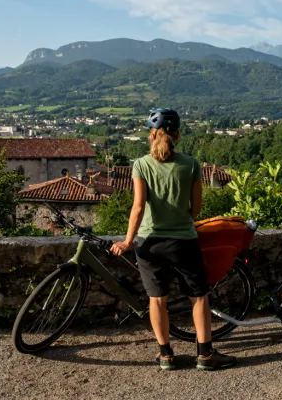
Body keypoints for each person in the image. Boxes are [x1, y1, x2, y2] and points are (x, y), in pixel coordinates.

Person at [111, 108, 237, 371]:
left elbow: (138, 208)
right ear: (177, 135)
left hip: (149, 242)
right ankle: (205, 355)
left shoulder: (141, 165)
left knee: (158, 300)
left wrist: (127, 241)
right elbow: (196, 209)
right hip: (183, 242)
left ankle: (166, 355)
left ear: (151, 135)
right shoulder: (191, 164)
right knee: (199, 297)